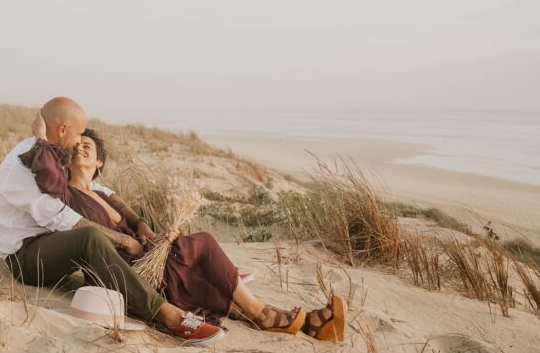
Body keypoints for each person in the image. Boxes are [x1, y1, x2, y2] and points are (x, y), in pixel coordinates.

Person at [21, 123, 346, 341]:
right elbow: (55, 192)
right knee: (201, 246)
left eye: (87, 145)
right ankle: (266, 314)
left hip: (146, 258)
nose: (80, 148)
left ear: (100, 162)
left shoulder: (104, 193)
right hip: (122, 270)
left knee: (198, 259)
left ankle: (309, 325)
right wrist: (41, 132)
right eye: (75, 146)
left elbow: (133, 216)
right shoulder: (63, 193)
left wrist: (147, 231)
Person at [0, 97, 226, 345]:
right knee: (89, 238)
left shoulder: (47, 151)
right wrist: (123, 240)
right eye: (79, 134)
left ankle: (192, 279)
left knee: (130, 222)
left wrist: (136, 222)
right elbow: (62, 218)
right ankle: (165, 314)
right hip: (25, 258)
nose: (80, 140)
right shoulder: (24, 164)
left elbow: (89, 187)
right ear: (63, 130)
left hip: (49, 242)